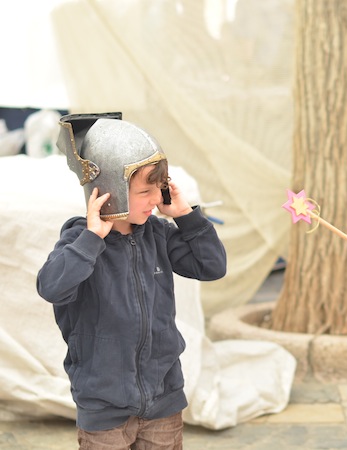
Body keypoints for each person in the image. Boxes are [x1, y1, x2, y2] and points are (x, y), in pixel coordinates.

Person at [36, 112, 227, 449]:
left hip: (163, 401)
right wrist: (92, 240)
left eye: (160, 189)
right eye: (145, 191)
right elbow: (52, 287)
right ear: (108, 189)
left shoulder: (159, 235)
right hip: (103, 407)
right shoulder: (80, 240)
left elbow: (211, 266)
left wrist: (185, 215)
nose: (156, 199)